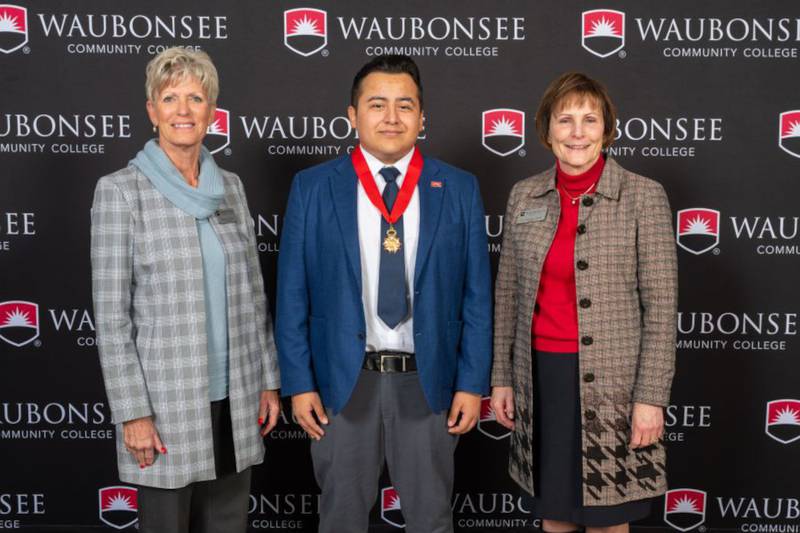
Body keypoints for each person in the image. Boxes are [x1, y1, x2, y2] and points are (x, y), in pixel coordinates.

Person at [275, 54, 492, 533]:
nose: (391, 117)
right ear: (352, 115)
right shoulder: (312, 188)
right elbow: (292, 293)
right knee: (341, 518)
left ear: (422, 117)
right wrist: (299, 382)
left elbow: (477, 296)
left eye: (405, 105)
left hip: (428, 382)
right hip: (342, 384)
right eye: (377, 104)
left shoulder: (458, 188)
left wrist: (472, 383)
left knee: (432, 518)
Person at [91, 47, 280, 533]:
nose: (182, 110)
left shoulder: (231, 188)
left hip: (235, 399)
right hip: (165, 407)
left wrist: (267, 379)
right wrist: (133, 413)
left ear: (212, 112)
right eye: (169, 97)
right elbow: (112, 320)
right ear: (152, 110)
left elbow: (253, 295)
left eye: (195, 98)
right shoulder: (120, 191)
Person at [490, 72, 678, 533]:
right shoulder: (524, 196)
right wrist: (501, 378)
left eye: (589, 120)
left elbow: (661, 306)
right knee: (554, 512)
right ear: (546, 129)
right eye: (565, 120)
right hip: (541, 379)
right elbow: (508, 294)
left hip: (614, 384)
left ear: (606, 130)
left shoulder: (643, 196)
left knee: (607, 517)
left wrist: (651, 397)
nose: (577, 132)